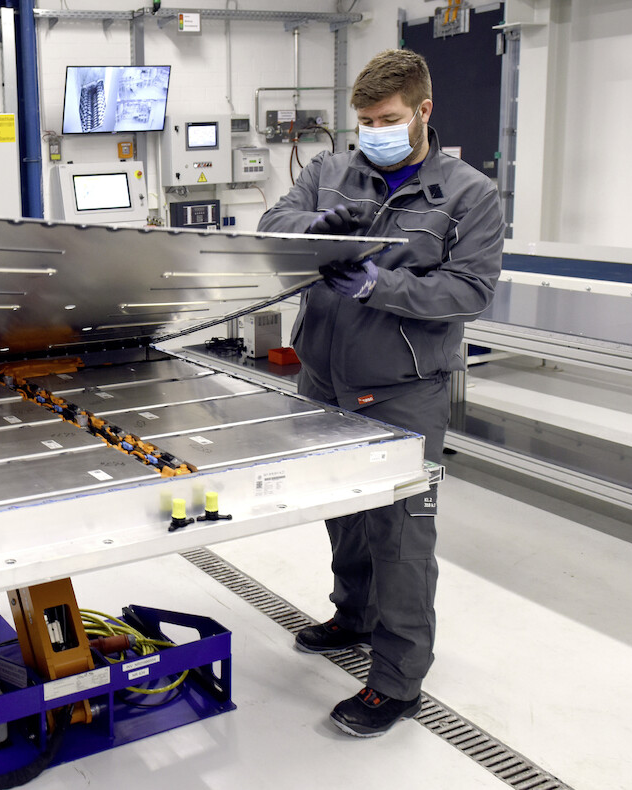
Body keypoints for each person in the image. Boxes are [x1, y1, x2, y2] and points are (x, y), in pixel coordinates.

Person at [257, 49, 504, 737]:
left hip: (403, 388)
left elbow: (471, 291)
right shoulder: (330, 172)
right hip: (322, 377)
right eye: (364, 120)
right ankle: (354, 615)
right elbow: (273, 228)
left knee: (400, 535)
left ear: (424, 110)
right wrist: (318, 231)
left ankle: (397, 678)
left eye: (388, 119)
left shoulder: (468, 196)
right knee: (341, 511)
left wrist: (377, 285)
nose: (374, 131)